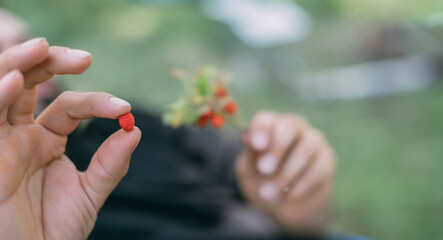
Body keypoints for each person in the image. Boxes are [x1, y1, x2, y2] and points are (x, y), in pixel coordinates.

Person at [0, 9, 339, 240]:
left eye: (28, 44)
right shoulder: (23, 214)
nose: (33, 62)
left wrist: (295, 194)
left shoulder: (124, 125)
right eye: (4, 56)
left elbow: (267, 182)